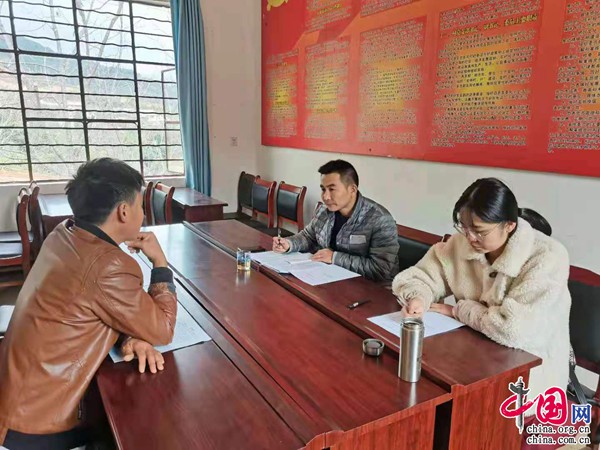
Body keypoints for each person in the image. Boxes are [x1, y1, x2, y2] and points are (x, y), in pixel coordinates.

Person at [0, 158, 177, 449]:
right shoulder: (108, 266)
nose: (143, 214)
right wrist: (160, 262)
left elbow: (88, 305)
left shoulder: (63, 233)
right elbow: (163, 329)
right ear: (123, 211)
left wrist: (131, 335)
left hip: (16, 398)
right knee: (145, 418)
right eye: (140, 206)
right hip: (40, 421)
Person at [392, 178, 571, 415]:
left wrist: (458, 310)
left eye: (479, 231)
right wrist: (418, 297)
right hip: (471, 359)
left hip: (528, 379)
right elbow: (419, 276)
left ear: (509, 225)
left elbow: (514, 329)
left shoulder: (547, 257)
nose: (470, 238)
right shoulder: (462, 244)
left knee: (461, 414)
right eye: (463, 227)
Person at [272, 160, 399, 281]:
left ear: (352, 190)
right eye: (323, 189)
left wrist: (334, 257)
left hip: (370, 287)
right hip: (327, 277)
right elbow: (308, 237)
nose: (325, 196)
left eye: (332, 189)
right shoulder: (324, 210)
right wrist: (289, 244)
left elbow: (381, 269)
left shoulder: (380, 219)